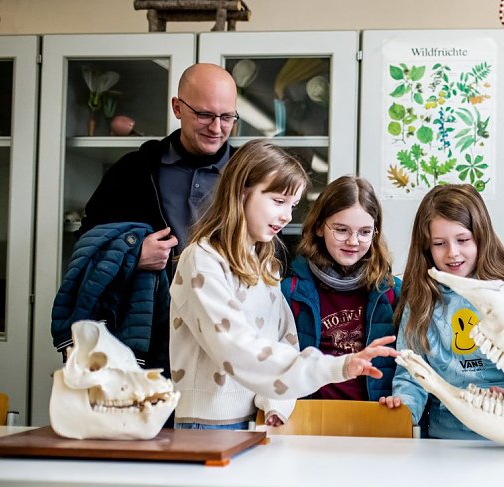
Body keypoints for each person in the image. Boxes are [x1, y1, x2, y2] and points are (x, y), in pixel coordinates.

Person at [169, 140, 397, 430]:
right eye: (278, 201)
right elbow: (235, 349)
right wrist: (335, 366)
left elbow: (283, 340)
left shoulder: (265, 265)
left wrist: (276, 404)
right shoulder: (202, 260)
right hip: (210, 423)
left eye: (293, 205)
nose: (287, 216)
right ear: (241, 192)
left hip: (258, 420)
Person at [56, 63, 240, 374]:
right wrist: (133, 255)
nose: (216, 127)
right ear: (177, 107)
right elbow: (87, 243)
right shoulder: (134, 169)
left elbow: (272, 253)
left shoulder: (248, 175)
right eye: (205, 115)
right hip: (145, 336)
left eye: (227, 117)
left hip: (223, 335)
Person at [380, 184, 504, 438]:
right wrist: (402, 406)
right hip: (444, 442)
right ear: (426, 248)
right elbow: (412, 374)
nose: (452, 253)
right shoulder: (420, 301)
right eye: (439, 243)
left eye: (463, 240)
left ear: (481, 236)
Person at [283, 175, 400, 402]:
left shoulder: (393, 292)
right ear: (319, 227)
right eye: (341, 230)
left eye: (365, 232)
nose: (353, 241)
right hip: (309, 422)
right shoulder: (289, 292)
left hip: (375, 421)